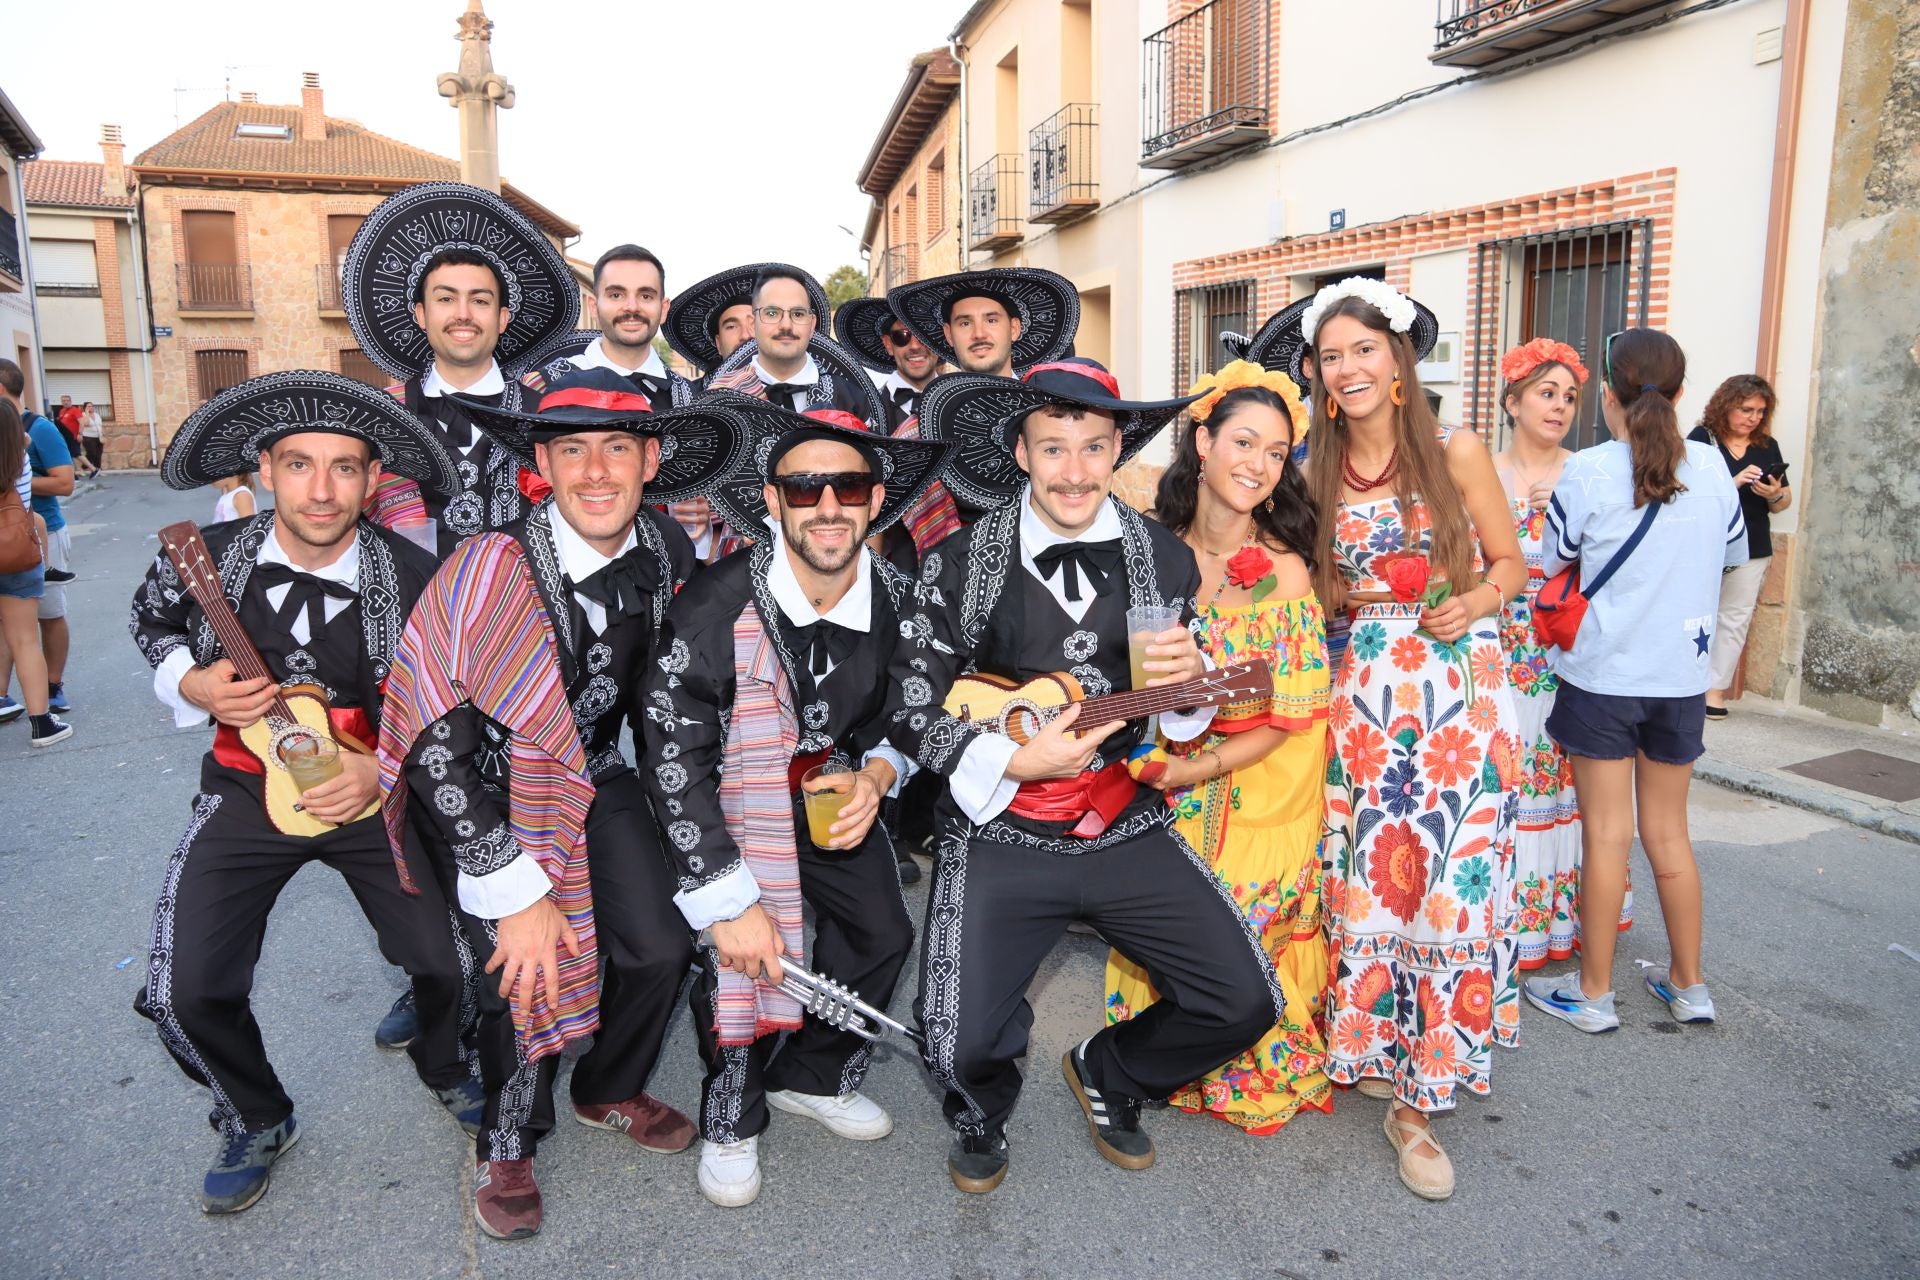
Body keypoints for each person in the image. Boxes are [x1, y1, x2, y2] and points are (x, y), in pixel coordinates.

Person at [896, 357, 1281, 1195]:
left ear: (1117, 452)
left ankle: (1113, 1069)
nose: (1074, 472)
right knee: (953, 1042)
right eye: (1053, 448)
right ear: (1022, 453)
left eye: (1094, 448)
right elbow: (911, 707)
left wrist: (1190, 692)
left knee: (1246, 999)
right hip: (1000, 828)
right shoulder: (959, 562)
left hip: (1120, 818)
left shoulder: (1164, 561)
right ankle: (980, 1109)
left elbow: (1174, 715)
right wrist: (1012, 757)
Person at [377, 367, 739, 1240]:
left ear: (651, 460)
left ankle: (607, 1085)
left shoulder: (667, 549)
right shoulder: (488, 567)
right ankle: (507, 1141)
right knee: (522, 966)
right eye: (573, 450)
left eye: (618, 447)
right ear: (541, 463)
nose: (598, 471)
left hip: (593, 774)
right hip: (480, 795)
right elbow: (433, 747)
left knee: (660, 945)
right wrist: (516, 890)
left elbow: (668, 696)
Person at [129, 371, 479, 1215]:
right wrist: (191, 682)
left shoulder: (420, 574)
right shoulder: (204, 558)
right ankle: (256, 1113)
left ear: (373, 478)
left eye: (344, 467)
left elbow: (456, 698)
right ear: (265, 469)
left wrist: (383, 767)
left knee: (456, 964)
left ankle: (443, 1060)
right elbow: (152, 622)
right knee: (183, 989)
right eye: (298, 465)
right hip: (247, 790)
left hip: (372, 790)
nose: (321, 490)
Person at [640, 397, 952, 1207]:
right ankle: (732, 1113)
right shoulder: (710, 606)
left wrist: (877, 777)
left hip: (829, 796)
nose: (827, 507)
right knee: (738, 953)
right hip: (726, 808)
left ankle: (811, 1074)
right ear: (772, 501)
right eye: (805, 488)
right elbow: (674, 759)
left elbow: (914, 706)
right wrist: (728, 896)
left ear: (876, 500)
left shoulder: (901, 598)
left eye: (848, 488)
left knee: (882, 931)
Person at [1304, 278, 1527, 1201]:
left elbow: (1512, 562)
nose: (1347, 368)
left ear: (1397, 360)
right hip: (1363, 699)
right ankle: (1365, 1042)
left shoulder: (1454, 449)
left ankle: (1418, 1098)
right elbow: (1311, 591)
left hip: (1459, 698)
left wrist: (1474, 600)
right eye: (1331, 356)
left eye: (1363, 349)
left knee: (1443, 885)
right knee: (1370, 877)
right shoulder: (1313, 471)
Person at [1104, 359, 1333, 1134]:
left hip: (1262, 774)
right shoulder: (1150, 550)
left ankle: (1232, 1049)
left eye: (1276, 453)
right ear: (1203, 442)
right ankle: (1156, 1048)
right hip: (1166, 766)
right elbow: (1125, 681)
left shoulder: (1283, 571)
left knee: (1239, 919)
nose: (1259, 465)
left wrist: (1192, 764)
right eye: (1244, 441)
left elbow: (1287, 714)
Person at [1524, 328, 1746, 1036]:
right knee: (1669, 835)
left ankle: (1593, 994)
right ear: (1680, 393)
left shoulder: (1588, 470)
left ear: (1608, 395)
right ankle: (1689, 984)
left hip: (1603, 676)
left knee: (1607, 836)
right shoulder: (1713, 469)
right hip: (1680, 679)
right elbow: (1732, 555)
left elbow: (1557, 560)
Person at [342, 182, 577, 557]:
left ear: (502, 318)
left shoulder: (546, 418)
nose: (463, 314)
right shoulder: (380, 418)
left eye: (479, 301)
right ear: (422, 314)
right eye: (446, 299)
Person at [1491, 338, 1629, 969]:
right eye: (1546, 394)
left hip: (1566, 659)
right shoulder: (1480, 474)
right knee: (1504, 786)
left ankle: (1560, 919)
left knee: (1566, 789)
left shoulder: (1590, 473)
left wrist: (1579, 532)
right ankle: (1497, 917)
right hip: (1496, 658)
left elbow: (1619, 572)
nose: (1560, 407)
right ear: (1513, 402)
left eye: (1570, 398)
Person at [1689, 375, 1790, 719]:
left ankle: (1714, 691)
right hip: (1706, 544)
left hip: (1753, 545)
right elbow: (1686, 493)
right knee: (1693, 615)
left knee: (1734, 619)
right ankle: (1685, 685)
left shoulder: (1767, 446)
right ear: (1726, 405)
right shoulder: (1702, 440)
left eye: (1760, 411)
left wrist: (1773, 494)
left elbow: (1783, 502)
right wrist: (1732, 483)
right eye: (1746, 409)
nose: (1754, 418)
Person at [0, 360, 76, 718]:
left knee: (49, 614)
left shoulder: (40, 429)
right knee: (12, 625)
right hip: (15, 537)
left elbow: (65, 482)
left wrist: (13, 478)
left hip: (41, 535)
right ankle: (6, 697)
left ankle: (53, 687)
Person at [706, 268, 882, 421]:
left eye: (798, 314)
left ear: (811, 325)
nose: (786, 325)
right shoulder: (719, 399)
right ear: (753, 324)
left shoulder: (852, 399)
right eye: (772, 313)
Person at [533, 244, 696, 409]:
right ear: (594, 307)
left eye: (646, 296)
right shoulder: (543, 387)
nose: (632, 307)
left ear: (663, 309)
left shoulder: (690, 400)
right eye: (616, 295)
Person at [663, 261, 830, 388]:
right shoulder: (692, 401)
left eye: (753, 323)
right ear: (718, 343)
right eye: (732, 326)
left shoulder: (834, 392)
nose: (746, 335)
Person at [834, 295, 944, 429]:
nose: (915, 346)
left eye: (924, 335)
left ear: (938, 340)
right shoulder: (864, 413)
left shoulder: (964, 402)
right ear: (888, 344)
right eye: (902, 336)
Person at [78, 401, 104, 474]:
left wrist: (102, 434)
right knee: (92, 453)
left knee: (98, 454)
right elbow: (86, 423)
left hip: (98, 437)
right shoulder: (83, 415)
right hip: (88, 437)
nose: (91, 408)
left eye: (92, 406)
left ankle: (98, 470)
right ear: (85, 408)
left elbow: (100, 425)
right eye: (88, 406)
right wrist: (87, 414)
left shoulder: (97, 415)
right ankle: (82, 468)